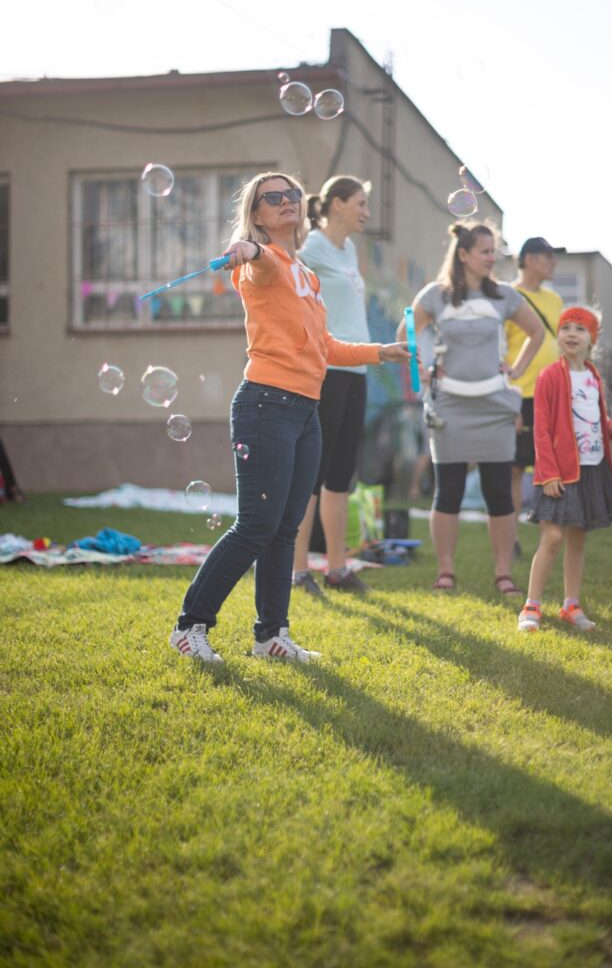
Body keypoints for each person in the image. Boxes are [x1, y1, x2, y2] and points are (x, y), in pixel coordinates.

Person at [169, 172, 410, 663]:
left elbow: (324, 346)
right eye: (272, 197)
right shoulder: (264, 264)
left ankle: (271, 636)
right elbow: (258, 264)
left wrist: (379, 352)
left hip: (304, 411)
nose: (286, 202)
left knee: (284, 528)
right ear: (256, 214)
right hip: (265, 405)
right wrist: (247, 249)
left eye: (292, 195)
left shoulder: (306, 273)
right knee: (255, 526)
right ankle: (190, 627)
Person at [398, 221, 544, 596]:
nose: (492, 257)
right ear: (463, 254)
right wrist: (420, 373)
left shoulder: (504, 295)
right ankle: (445, 571)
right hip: (449, 405)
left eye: (493, 251)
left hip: (495, 404)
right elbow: (405, 335)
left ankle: (503, 573)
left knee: (499, 492)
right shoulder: (436, 295)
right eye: (484, 251)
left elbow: (537, 332)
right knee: (448, 492)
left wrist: (517, 369)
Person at [518, 307, 612, 633]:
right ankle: (531, 606)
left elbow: (589, 418)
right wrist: (549, 473)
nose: (571, 334)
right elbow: (541, 429)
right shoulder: (549, 375)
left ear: (592, 338)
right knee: (552, 537)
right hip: (559, 472)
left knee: (578, 538)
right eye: (565, 327)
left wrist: (610, 427)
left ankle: (571, 605)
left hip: (590, 469)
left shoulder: (593, 376)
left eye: (579, 328)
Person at [292, 175, 373, 597]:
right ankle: (298, 570)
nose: (366, 212)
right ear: (337, 204)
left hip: (357, 370)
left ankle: (337, 569)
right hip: (326, 370)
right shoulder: (311, 248)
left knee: (341, 473)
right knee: (313, 471)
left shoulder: (350, 249)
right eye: (361, 203)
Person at [504, 236, 565, 558]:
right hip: (520, 395)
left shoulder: (555, 300)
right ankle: (511, 537)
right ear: (528, 259)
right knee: (515, 469)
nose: (553, 263)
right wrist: (506, 398)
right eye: (547, 257)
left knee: (548, 469)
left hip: (552, 396)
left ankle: (546, 537)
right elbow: (500, 348)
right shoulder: (507, 296)